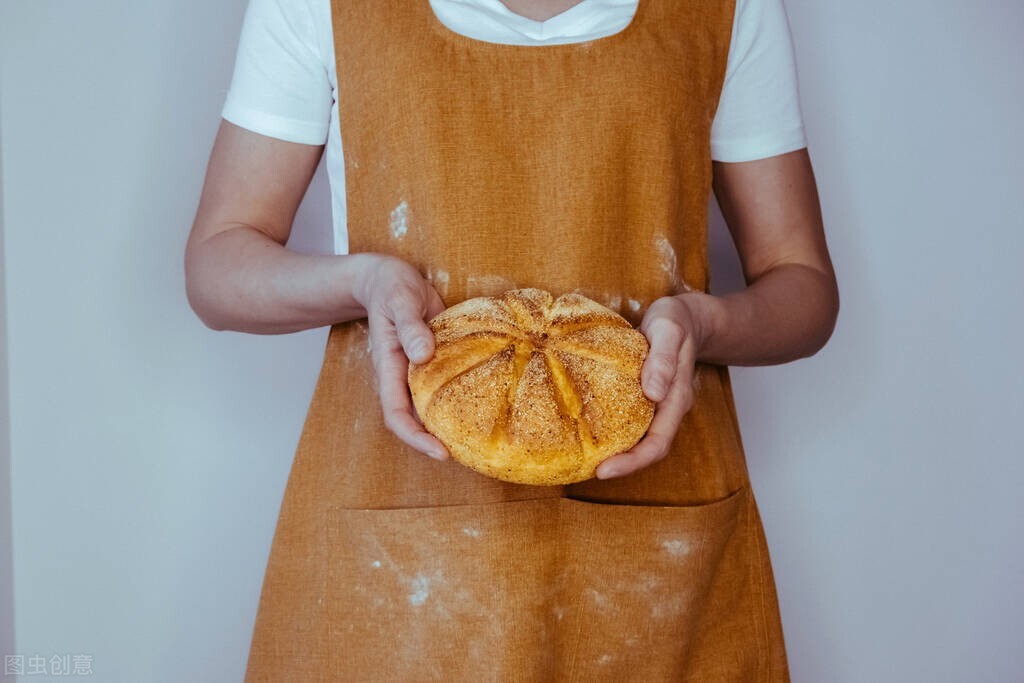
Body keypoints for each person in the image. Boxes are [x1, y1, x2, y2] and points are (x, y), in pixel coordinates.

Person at [185, 0, 839, 679]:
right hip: (396, 540)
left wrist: (704, 324)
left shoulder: (727, 10)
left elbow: (803, 286)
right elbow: (218, 263)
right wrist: (364, 283)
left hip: (657, 555)